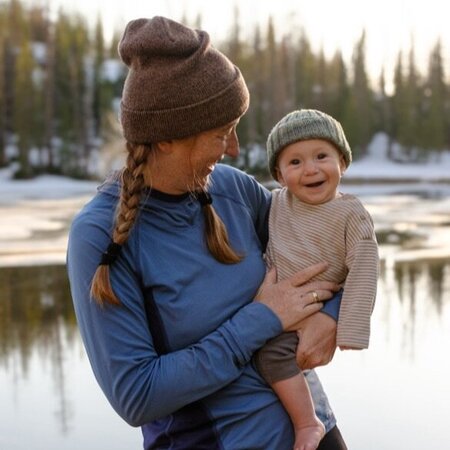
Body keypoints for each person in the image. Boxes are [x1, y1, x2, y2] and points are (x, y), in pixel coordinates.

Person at [67, 17, 347, 449]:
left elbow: (336, 238)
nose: (233, 148)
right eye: (221, 133)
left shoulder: (234, 191)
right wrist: (261, 320)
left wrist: (331, 316)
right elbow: (137, 396)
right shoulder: (99, 237)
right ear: (166, 139)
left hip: (316, 434)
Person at [256, 109, 379, 450]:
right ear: (279, 175)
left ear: (342, 161)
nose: (310, 168)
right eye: (294, 162)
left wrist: (348, 327)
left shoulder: (350, 213)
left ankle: (308, 421)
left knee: (271, 357)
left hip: (310, 314)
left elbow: (365, 268)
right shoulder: (277, 203)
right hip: (273, 304)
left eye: (321, 156)